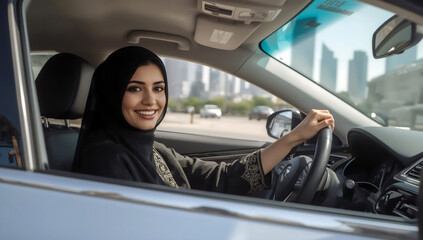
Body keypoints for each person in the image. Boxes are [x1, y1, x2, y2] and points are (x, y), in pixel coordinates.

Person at [72, 46, 335, 195]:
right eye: (135, 88)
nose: (151, 100)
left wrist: (293, 139)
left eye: (159, 88)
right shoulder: (105, 159)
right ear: (112, 93)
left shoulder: (153, 149)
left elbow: (219, 178)